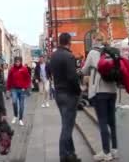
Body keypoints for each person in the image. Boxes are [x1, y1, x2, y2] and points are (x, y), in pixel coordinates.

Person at [82, 36, 118, 162]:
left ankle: (106, 152)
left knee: (102, 121)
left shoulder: (93, 52)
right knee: (112, 121)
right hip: (112, 90)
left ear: (94, 41)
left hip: (99, 91)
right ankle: (115, 149)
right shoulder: (111, 51)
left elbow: (84, 69)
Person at [50, 33, 82, 162]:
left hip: (59, 93)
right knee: (67, 127)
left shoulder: (54, 56)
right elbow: (72, 77)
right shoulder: (68, 56)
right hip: (69, 94)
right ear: (69, 41)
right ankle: (64, 155)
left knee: (66, 124)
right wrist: (79, 91)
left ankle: (71, 154)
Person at [6, 57, 31, 126]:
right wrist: (8, 89)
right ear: (14, 62)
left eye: (18, 62)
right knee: (14, 102)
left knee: (21, 105)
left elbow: (28, 79)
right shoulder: (12, 69)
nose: (17, 63)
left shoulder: (24, 69)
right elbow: (9, 80)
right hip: (14, 89)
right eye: (16, 62)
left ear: (20, 62)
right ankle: (15, 115)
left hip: (22, 89)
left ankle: (20, 119)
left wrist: (25, 87)